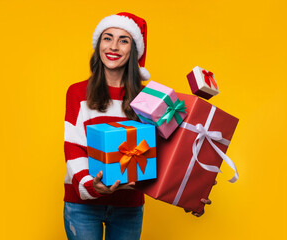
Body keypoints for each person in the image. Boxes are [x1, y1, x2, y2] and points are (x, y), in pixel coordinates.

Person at [63, 12, 211, 240]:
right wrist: (91, 185)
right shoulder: (77, 92)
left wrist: (190, 190)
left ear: (134, 50)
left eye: (124, 40)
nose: (113, 46)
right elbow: (73, 146)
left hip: (129, 207)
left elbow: (165, 152)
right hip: (82, 207)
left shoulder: (149, 97)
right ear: (98, 44)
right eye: (107, 38)